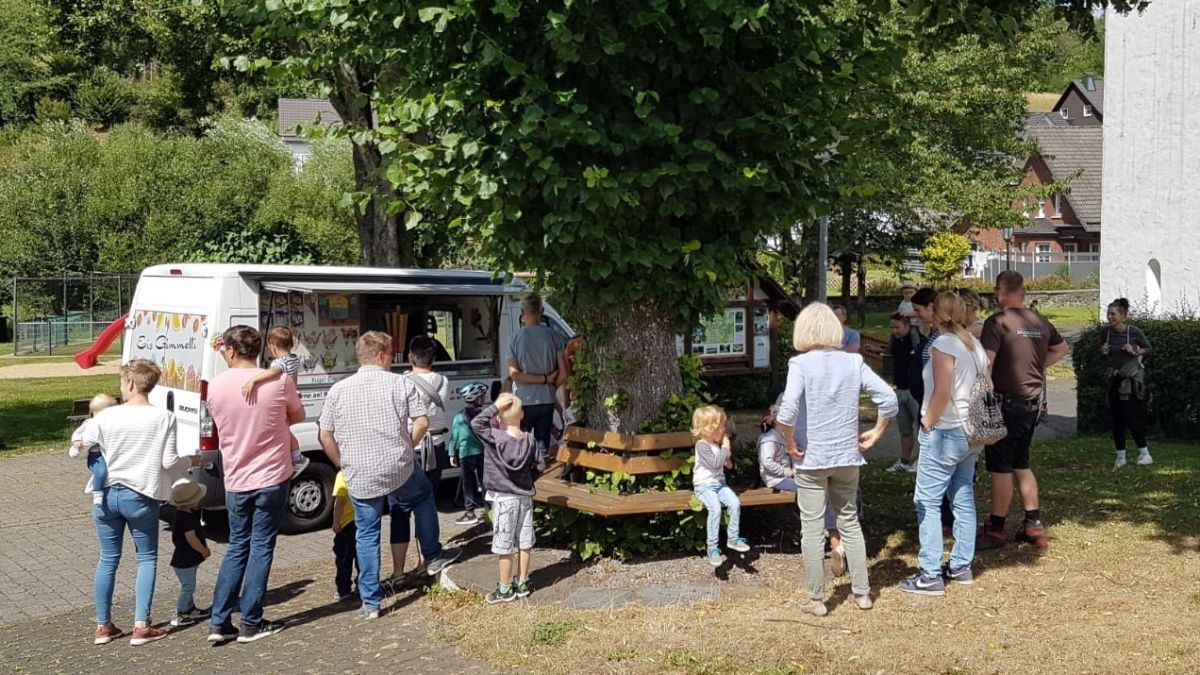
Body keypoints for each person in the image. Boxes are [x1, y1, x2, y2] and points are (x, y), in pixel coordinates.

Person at [318, 331, 461, 621]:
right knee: (422, 496)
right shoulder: (399, 383)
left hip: (359, 472)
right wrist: (408, 444)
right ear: (383, 356)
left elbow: (325, 435)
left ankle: (370, 602)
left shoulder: (338, 389)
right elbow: (422, 421)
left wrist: (341, 464)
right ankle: (432, 554)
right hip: (398, 466)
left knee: (367, 533)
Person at [774, 302, 897, 617]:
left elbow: (786, 412)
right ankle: (863, 593)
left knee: (812, 528)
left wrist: (789, 442)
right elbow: (889, 398)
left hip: (811, 459)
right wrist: (877, 431)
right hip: (847, 456)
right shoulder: (853, 362)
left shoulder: (800, 364)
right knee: (850, 523)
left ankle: (817, 599)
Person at [205, 325, 305, 644]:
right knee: (261, 546)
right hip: (272, 475)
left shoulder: (215, 387)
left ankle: (219, 622)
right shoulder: (278, 381)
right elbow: (298, 416)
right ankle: (251, 621)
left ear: (231, 351)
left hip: (236, 477)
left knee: (237, 546)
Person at [79, 360, 189, 646]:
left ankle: (103, 626)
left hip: (105, 495)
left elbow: (84, 446)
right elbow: (169, 461)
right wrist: (193, 460)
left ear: (129, 383)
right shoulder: (164, 417)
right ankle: (142, 625)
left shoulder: (106, 416)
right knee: (146, 558)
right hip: (140, 495)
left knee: (107, 559)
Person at [898, 292, 989, 597]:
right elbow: (986, 385)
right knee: (962, 495)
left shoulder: (943, 344)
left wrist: (926, 422)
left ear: (936, 313)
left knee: (927, 500)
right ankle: (961, 565)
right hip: (972, 431)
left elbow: (941, 390)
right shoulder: (973, 345)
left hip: (945, 430)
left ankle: (930, 573)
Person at [978, 271, 1068, 551]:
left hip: (1005, 403)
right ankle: (1033, 523)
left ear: (998, 292)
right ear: (1024, 291)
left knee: (1000, 466)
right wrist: (1037, 367)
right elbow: (1062, 349)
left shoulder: (998, 322)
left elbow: (986, 362)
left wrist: (983, 392)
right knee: (1021, 462)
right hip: (1031, 402)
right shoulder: (1038, 321)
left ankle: (996, 527)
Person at [471, 394, 547, 603]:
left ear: (498, 418)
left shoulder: (495, 437)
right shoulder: (530, 439)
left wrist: (494, 407)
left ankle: (504, 588)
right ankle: (522, 582)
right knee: (524, 541)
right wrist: (528, 479)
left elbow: (476, 423)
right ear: (522, 414)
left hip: (503, 498)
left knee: (504, 545)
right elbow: (540, 466)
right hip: (524, 496)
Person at [388, 335, 452, 580]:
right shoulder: (442, 381)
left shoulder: (400, 382)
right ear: (434, 358)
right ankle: (424, 561)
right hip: (434, 446)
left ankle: (397, 570)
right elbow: (434, 409)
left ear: (409, 357)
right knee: (426, 503)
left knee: (399, 508)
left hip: (406, 447)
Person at [239, 326, 309, 477]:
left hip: (282, 399)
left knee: (285, 430)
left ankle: (297, 458)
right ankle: (295, 457)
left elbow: (273, 373)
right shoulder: (294, 359)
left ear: (272, 347)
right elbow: (293, 379)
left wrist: (254, 380)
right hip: (291, 397)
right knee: (285, 429)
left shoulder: (279, 363)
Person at [506, 293, 568, 455]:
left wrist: (542, 380)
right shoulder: (554, 336)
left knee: (522, 448)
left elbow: (515, 375)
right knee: (542, 450)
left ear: (522, 312)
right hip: (546, 400)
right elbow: (564, 373)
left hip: (524, 401)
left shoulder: (515, 338)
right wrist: (549, 384)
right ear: (541, 311)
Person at [690, 404, 751, 566]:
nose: (725, 430)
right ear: (711, 428)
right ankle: (712, 547)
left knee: (735, 503)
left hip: (719, 484)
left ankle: (732, 538)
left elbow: (724, 463)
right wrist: (725, 448)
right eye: (722, 426)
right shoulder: (701, 445)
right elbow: (716, 464)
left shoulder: (715, 446)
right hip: (704, 486)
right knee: (715, 509)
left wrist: (727, 460)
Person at [1102, 298, 1153, 468]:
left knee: (1131, 417)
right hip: (1115, 379)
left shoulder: (1134, 332)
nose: (1109, 317)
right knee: (1116, 418)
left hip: (1130, 381)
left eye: (1113, 314)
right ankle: (1121, 456)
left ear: (1123, 316)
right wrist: (1103, 351)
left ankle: (1144, 453)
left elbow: (1148, 348)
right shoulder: (1106, 333)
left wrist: (1135, 351)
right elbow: (1104, 351)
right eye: (1108, 313)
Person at [879, 313, 921, 473]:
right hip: (899, 388)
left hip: (914, 390)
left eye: (897, 327)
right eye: (892, 327)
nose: (894, 331)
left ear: (907, 326)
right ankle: (904, 461)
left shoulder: (916, 340)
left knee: (922, 428)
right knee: (905, 430)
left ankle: (922, 461)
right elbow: (889, 352)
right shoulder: (895, 341)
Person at [168, 478, 212, 627]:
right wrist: (204, 550)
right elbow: (191, 539)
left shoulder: (184, 514)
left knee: (189, 584)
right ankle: (179, 613)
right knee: (188, 586)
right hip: (184, 560)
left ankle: (189, 608)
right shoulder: (185, 518)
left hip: (188, 559)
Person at [449, 382, 489, 526]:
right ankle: (489, 508)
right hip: (484, 452)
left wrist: (452, 453)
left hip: (466, 453)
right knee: (486, 481)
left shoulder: (459, 417)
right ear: (478, 398)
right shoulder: (484, 415)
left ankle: (470, 512)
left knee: (468, 483)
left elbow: (454, 436)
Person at [68, 393, 119, 505]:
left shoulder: (115, 424)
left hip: (110, 454)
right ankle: (97, 493)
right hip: (96, 455)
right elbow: (77, 434)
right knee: (101, 471)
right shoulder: (90, 423)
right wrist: (77, 441)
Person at [331, 470, 358, 602]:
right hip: (361, 521)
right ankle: (362, 584)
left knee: (344, 559)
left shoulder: (342, 475)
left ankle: (343, 588)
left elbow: (339, 502)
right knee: (361, 556)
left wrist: (336, 522)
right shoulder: (361, 471)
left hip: (346, 523)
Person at [758, 399, 795, 491]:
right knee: (806, 489)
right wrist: (788, 472)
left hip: (783, 478)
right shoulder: (769, 440)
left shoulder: (781, 436)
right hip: (775, 480)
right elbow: (767, 462)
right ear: (777, 422)